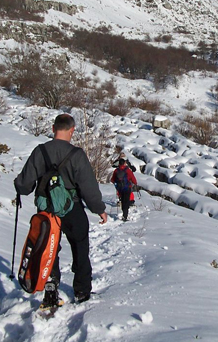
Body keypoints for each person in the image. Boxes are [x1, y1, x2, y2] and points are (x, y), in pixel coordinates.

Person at [14, 113, 107, 307]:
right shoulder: (77, 155)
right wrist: (99, 209)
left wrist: (19, 185)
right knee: (80, 246)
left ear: (53, 128)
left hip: (47, 210)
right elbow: (88, 187)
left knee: (49, 247)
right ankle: (82, 291)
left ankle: (50, 284)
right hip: (72, 208)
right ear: (72, 131)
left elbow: (24, 185)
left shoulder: (40, 152)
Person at [111, 156, 138, 221]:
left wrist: (116, 184)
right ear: (124, 163)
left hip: (120, 189)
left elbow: (112, 179)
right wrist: (135, 183)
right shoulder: (127, 170)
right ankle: (125, 216)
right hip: (127, 188)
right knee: (126, 201)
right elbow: (133, 178)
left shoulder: (116, 170)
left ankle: (124, 214)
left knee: (123, 201)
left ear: (119, 164)